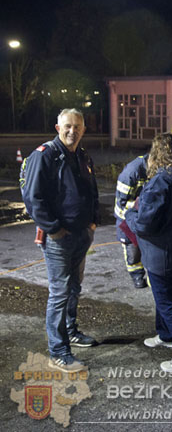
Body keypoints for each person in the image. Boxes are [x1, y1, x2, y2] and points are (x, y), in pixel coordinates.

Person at [20, 108, 100, 373]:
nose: (72, 131)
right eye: (67, 126)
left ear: (83, 130)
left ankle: (71, 331)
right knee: (59, 293)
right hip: (58, 238)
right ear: (57, 128)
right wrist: (53, 229)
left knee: (74, 287)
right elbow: (33, 198)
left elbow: (92, 191)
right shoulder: (45, 155)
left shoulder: (82, 155)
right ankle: (58, 351)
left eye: (77, 126)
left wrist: (92, 221)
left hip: (81, 235)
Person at [125, 133, 172, 373]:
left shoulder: (161, 180)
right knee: (165, 298)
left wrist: (129, 215)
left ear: (158, 154)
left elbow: (145, 224)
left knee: (168, 303)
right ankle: (165, 334)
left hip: (161, 253)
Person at [114, 153, 149, 288]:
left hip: (142, 216)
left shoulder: (151, 168)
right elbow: (122, 202)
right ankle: (137, 276)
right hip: (126, 218)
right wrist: (139, 206)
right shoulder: (131, 173)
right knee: (132, 250)